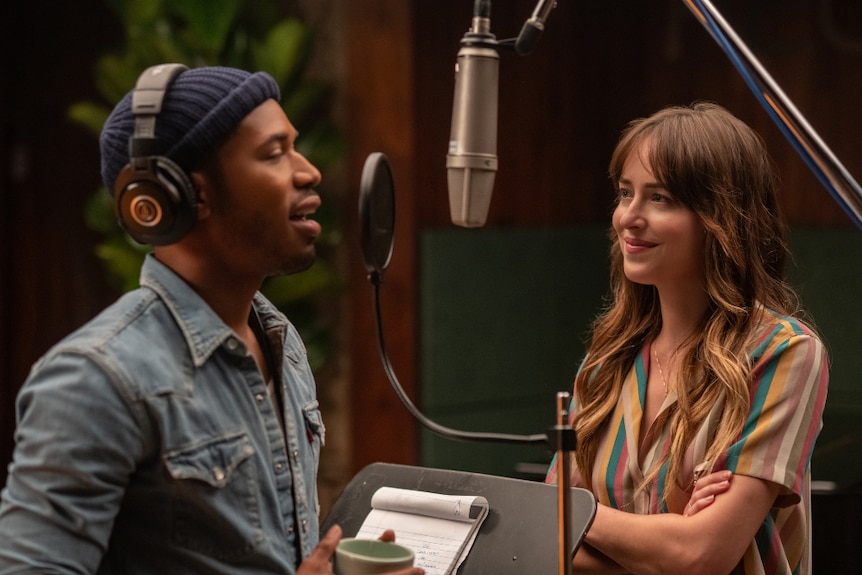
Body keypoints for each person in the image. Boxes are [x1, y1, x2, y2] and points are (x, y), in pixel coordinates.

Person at [0, 64, 423, 575]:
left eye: (296, 146)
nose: (308, 170)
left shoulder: (279, 342)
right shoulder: (96, 379)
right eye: (274, 152)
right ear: (179, 196)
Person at [546, 102, 828, 574]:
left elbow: (701, 556)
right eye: (624, 193)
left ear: (722, 217)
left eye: (659, 198)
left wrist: (576, 515)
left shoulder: (784, 352)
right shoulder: (606, 359)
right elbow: (546, 537)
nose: (628, 218)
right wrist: (669, 539)